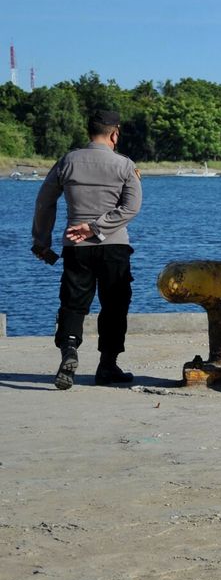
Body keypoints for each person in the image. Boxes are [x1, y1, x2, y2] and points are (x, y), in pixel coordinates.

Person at [31, 109, 143, 390]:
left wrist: (42, 241)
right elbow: (131, 208)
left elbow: (45, 202)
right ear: (115, 133)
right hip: (114, 245)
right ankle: (107, 366)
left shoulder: (68, 161)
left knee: (73, 302)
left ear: (89, 131)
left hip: (75, 246)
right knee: (115, 304)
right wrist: (97, 227)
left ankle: (69, 349)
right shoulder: (124, 165)